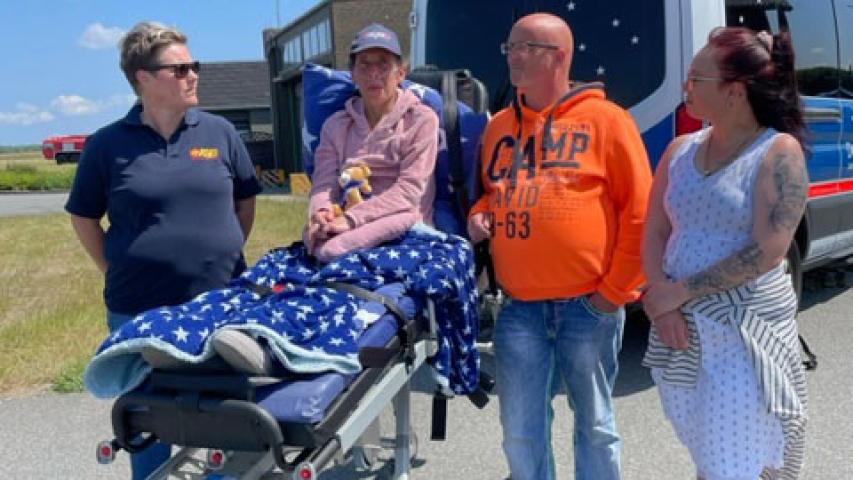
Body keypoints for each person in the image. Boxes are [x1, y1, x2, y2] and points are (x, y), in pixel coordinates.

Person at [65, 21, 262, 479]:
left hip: (220, 306)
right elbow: (83, 217)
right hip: (139, 310)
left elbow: (245, 202)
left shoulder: (220, 133)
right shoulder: (106, 145)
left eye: (194, 66)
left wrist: (220, 252)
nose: (193, 75)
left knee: (227, 425)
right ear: (143, 78)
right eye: (180, 69)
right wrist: (114, 267)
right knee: (150, 426)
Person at [467, 13, 652, 480]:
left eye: (526, 47)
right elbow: (492, 191)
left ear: (560, 57)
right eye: (510, 46)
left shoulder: (608, 121)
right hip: (519, 309)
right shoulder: (498, 127)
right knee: (520, 432)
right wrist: (480, 212)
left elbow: (640, 213)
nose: (513, 56)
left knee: (596, 427)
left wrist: (612, 294)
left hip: (588, 307)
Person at [641, 27, 809, 480]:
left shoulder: (777, 152)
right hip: (684, 330)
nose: (686, 86)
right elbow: (655, 228)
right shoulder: (680, 150)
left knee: (732, 458)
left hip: (743, 335)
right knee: (711, 451)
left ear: (735, 91)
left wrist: (678, 293)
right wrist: (663, 301)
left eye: (697, 78)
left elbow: (768, 250)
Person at [304, 23, 439, 262]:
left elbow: (409, 191)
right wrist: (322, 212)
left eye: (384, 65)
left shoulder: (421, 120)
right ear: (353, 74)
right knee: (313, 236)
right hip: (344, 220)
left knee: (329, 251)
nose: (374, 74)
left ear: (401, 73)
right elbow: (324, 184)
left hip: (403, 222)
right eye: (364, 65)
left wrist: (351, 219)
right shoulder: (335, 126)